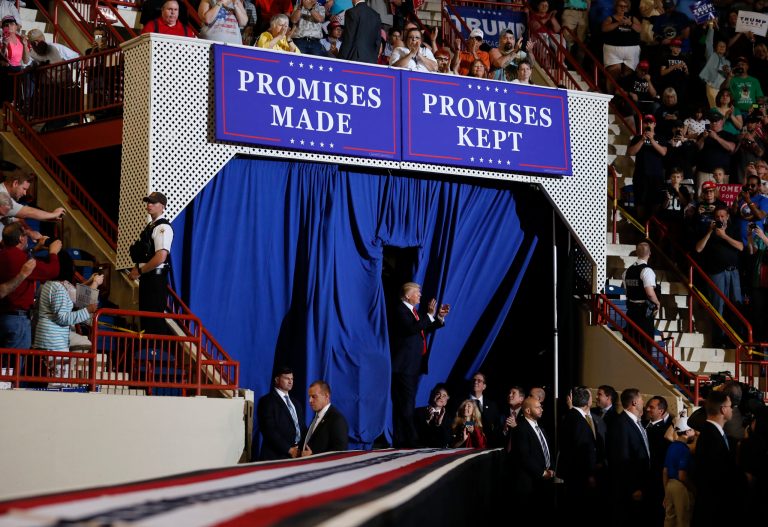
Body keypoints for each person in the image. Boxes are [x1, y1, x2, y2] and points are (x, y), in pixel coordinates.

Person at [389, 281, 449, 448]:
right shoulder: (400, 310)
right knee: (406, 403)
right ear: (408, 295)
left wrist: (439, 318)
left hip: (413, 366)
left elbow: (422, 329)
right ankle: (410, 440)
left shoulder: (413, 312)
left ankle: (403, 440)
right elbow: (411, 329)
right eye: (417, 292)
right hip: (404, 367)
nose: (420, 295)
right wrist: (429, 315)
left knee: (406, 403)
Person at [32, 251, 102, 385]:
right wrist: (87, 310)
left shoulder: (48, 284)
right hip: (53, 340)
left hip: (49, 338)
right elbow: (62, 318)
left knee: (60, 376)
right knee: (59, 380)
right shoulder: (58, 288)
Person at [0, 223, 61, 364]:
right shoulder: (23, 260)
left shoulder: (3, 255)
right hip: (17, 320)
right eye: (26, 236)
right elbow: (52, 271)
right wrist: (53, 253)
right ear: (21, 239)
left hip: (2, 316)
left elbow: (18, 257)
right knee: (13, 367)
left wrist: (35, 249)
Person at [692, 391, 746, 526]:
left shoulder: (712, 432)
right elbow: (718, 473)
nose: (732, 409)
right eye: (730, 406)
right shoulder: (711, 436)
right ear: (723, 409)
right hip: (713, 509)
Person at [127, 192, 173, 335]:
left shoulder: (162, 227)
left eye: (153, 202)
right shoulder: (151, 226)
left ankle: (156, 354)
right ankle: (148, 353)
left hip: (155, 279)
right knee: (146, 319)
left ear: (163, 206)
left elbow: (161, 256)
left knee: (153, 321)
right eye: (148, 201)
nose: (149, 204)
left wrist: (139, 271)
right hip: (148, 278)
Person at [607, 388, 651, 526]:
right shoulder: (621, 424)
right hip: (630, 490)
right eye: (641, 399)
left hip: (642, 485)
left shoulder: (636, 422)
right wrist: (633, 487)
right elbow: (622, 459)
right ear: (634, 402)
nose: (643, 403)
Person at [557, 386, 604, 514]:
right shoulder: (579, 421)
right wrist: (589, 475)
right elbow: (583, 451)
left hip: (573, 475)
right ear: (587, 401)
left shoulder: (571, 416)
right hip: (579, 477)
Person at [509, 396, 555, 511]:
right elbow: (524, 457)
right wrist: (542, 473)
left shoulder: (540, 428)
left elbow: (547, 450)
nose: (542, 410)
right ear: (528, 411)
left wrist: (551, 469)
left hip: (544, 483)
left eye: (541, 407)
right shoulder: (521, 429)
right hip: (530, 486)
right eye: (538, 407)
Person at [256, 366, 306, 460]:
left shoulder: (296, 403)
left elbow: (302, 427)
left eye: (292, 379)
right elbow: (269, 430)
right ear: (277, 379)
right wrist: (289, 450)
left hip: (298, 455)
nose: (290, 381)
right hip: (276, 456)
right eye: (287, 378)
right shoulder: (267, 401)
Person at [1, 166, 66, 233]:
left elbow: (4, 219)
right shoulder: (2, 195)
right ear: (15, 183)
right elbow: (28, 212)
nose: (25, 193)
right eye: (24, 189)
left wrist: (49, 218)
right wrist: (53, 214)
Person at [622, 241, 661, 351]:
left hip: (631, 311)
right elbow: (649, 293)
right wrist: (657, 303)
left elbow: (627, 291)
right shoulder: (647, 271)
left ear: (637, 253)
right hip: (643, 314)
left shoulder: (627, 272)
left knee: (631, 345)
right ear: (649, 253)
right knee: (644, 346)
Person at [662, 412, 695, 527]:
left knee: (669, 519)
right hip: (681, 487)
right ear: (686, 432)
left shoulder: (672, 446)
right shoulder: (684, 450)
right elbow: (682, 476)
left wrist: (666, 493)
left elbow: (665, 471)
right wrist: (694, 489)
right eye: (692, 430)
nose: (694, 433)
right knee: (683, 521)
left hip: (669, 485)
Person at [300, 380, 348, 456]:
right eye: (309, 397)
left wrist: (313, 455)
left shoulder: (337, 419)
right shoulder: (317, 417)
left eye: (314, 396)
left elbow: (340, 451)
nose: (310, 400)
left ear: (326, 396)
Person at [414, 383, 452, 448]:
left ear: (446, 402)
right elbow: (414, 437)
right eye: (438, 394)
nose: (440, 397)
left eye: (444, 396)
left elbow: (445, 441)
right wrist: (427, 421)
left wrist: (438, 425)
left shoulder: (448, 418)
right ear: (432, 395)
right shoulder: (417, 412)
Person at [467, 371, 500, 446]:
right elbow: (459, 421)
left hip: (487, 445)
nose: (475, 382)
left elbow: (496, 425)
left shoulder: (492, 405)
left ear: (484, 386)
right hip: (467, 444)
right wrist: (471, 427)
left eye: (479, 381)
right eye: (474, 380)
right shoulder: (461, 402)